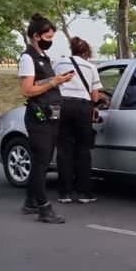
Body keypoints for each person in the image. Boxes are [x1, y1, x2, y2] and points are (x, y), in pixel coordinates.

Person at [17, 15, 74, 224]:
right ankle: (43, 207)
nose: (50, 40)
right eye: (47, 36)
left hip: (52, 115)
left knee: (43, 160)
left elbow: (43, 81)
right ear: (35, 36)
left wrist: (58, 79)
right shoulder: (27, 59)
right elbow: (27, 90)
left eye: (52, 36)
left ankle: (30, 200)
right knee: (41, 162)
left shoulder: (43, 57)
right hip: (38, 117)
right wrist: (54, 82)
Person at [53, 37, 102, 205]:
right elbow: (94, 96)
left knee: (64, 149)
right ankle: (84, 193)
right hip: (82, 108)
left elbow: (52, 84)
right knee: (82, 150)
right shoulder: (90, 66)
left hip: (61, 106)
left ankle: (65, 193)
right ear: (86, 53)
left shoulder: (58, 63)